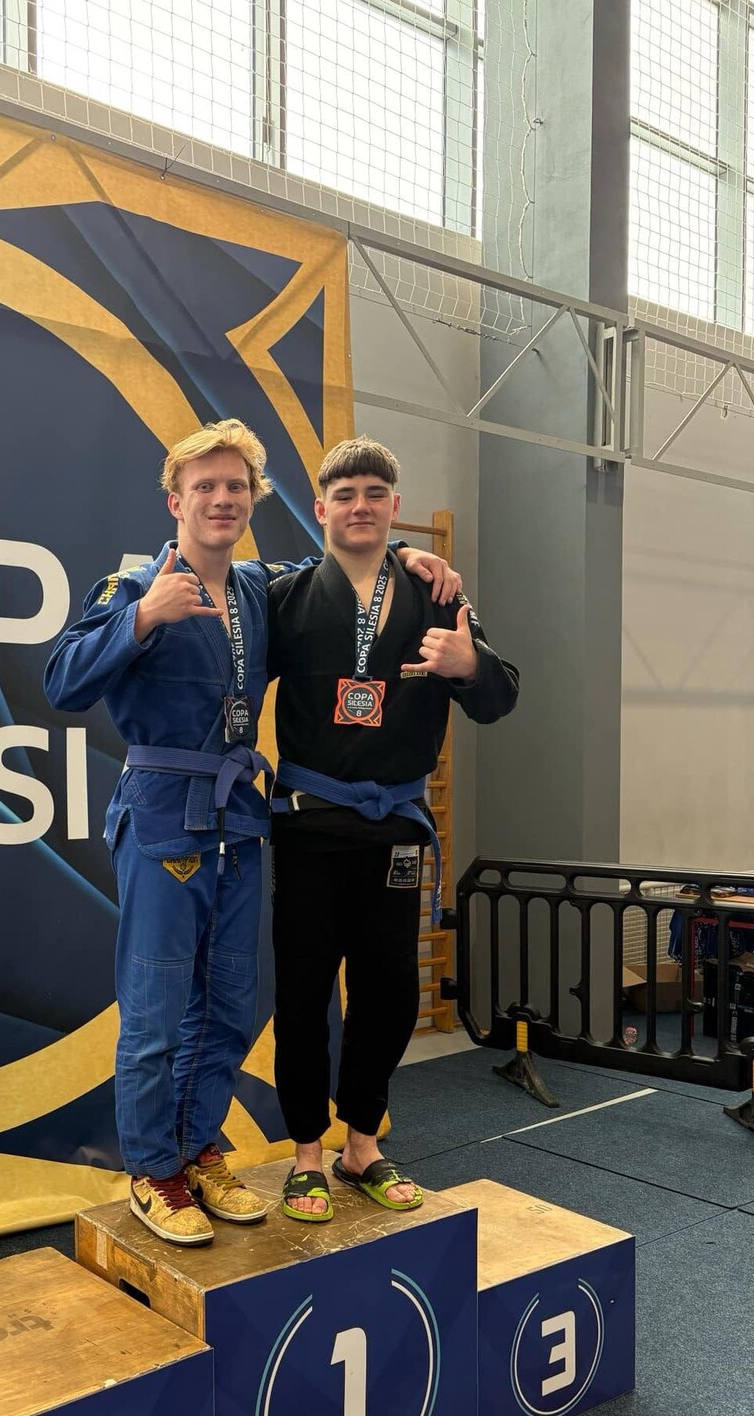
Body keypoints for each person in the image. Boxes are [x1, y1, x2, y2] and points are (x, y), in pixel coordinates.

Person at [44, 420, 460, 1246]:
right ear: (176, 501)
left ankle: (200, 1151)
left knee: (231, 1005)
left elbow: (346, 566)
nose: (222, 499)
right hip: (165, 811)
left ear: (254, 499)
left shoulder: (258, 588)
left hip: (241, 817)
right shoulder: (134, 585)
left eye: (236, 486)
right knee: (158, 1010)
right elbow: (61, 681)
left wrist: (411, 554)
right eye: (205, 486)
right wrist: (142, 619)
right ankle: (153, 1170)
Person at [267, 436, 519, 1223]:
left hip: (396, 829)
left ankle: (361, 1145)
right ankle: (305, 1153)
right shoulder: (286, 596)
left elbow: (501, 697)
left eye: (375, 493)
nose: (361, 507)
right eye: (345, 496)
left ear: (395, 507)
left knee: (389, 993)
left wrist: (468, 665)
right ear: (320, 509)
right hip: (310, 824)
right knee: (303, 993)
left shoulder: (437, 599)